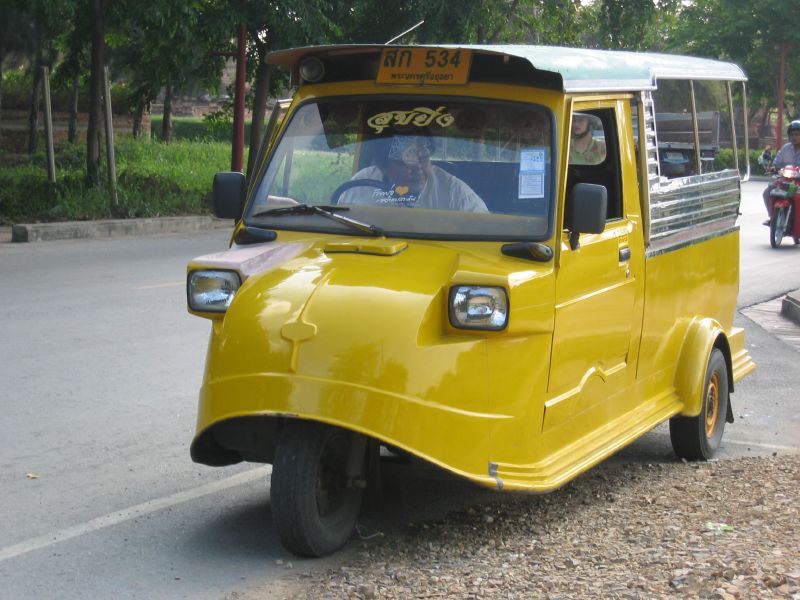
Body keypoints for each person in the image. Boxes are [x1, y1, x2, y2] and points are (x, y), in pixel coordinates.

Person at [338, 135, 488, 213]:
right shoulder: (358, 187)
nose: (418, 168)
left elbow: (484, 233)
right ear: (382, 167)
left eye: (423, 159)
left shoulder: (457, 195)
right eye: (404, 162)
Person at [762, 120, 800, 224]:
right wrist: (773, 168)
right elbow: (777, 163)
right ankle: (772, 218)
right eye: (792, 134)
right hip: (785, 181)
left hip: (799, 183)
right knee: (767, 192)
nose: (794, 137)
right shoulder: (785, 148)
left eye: (797, 134)